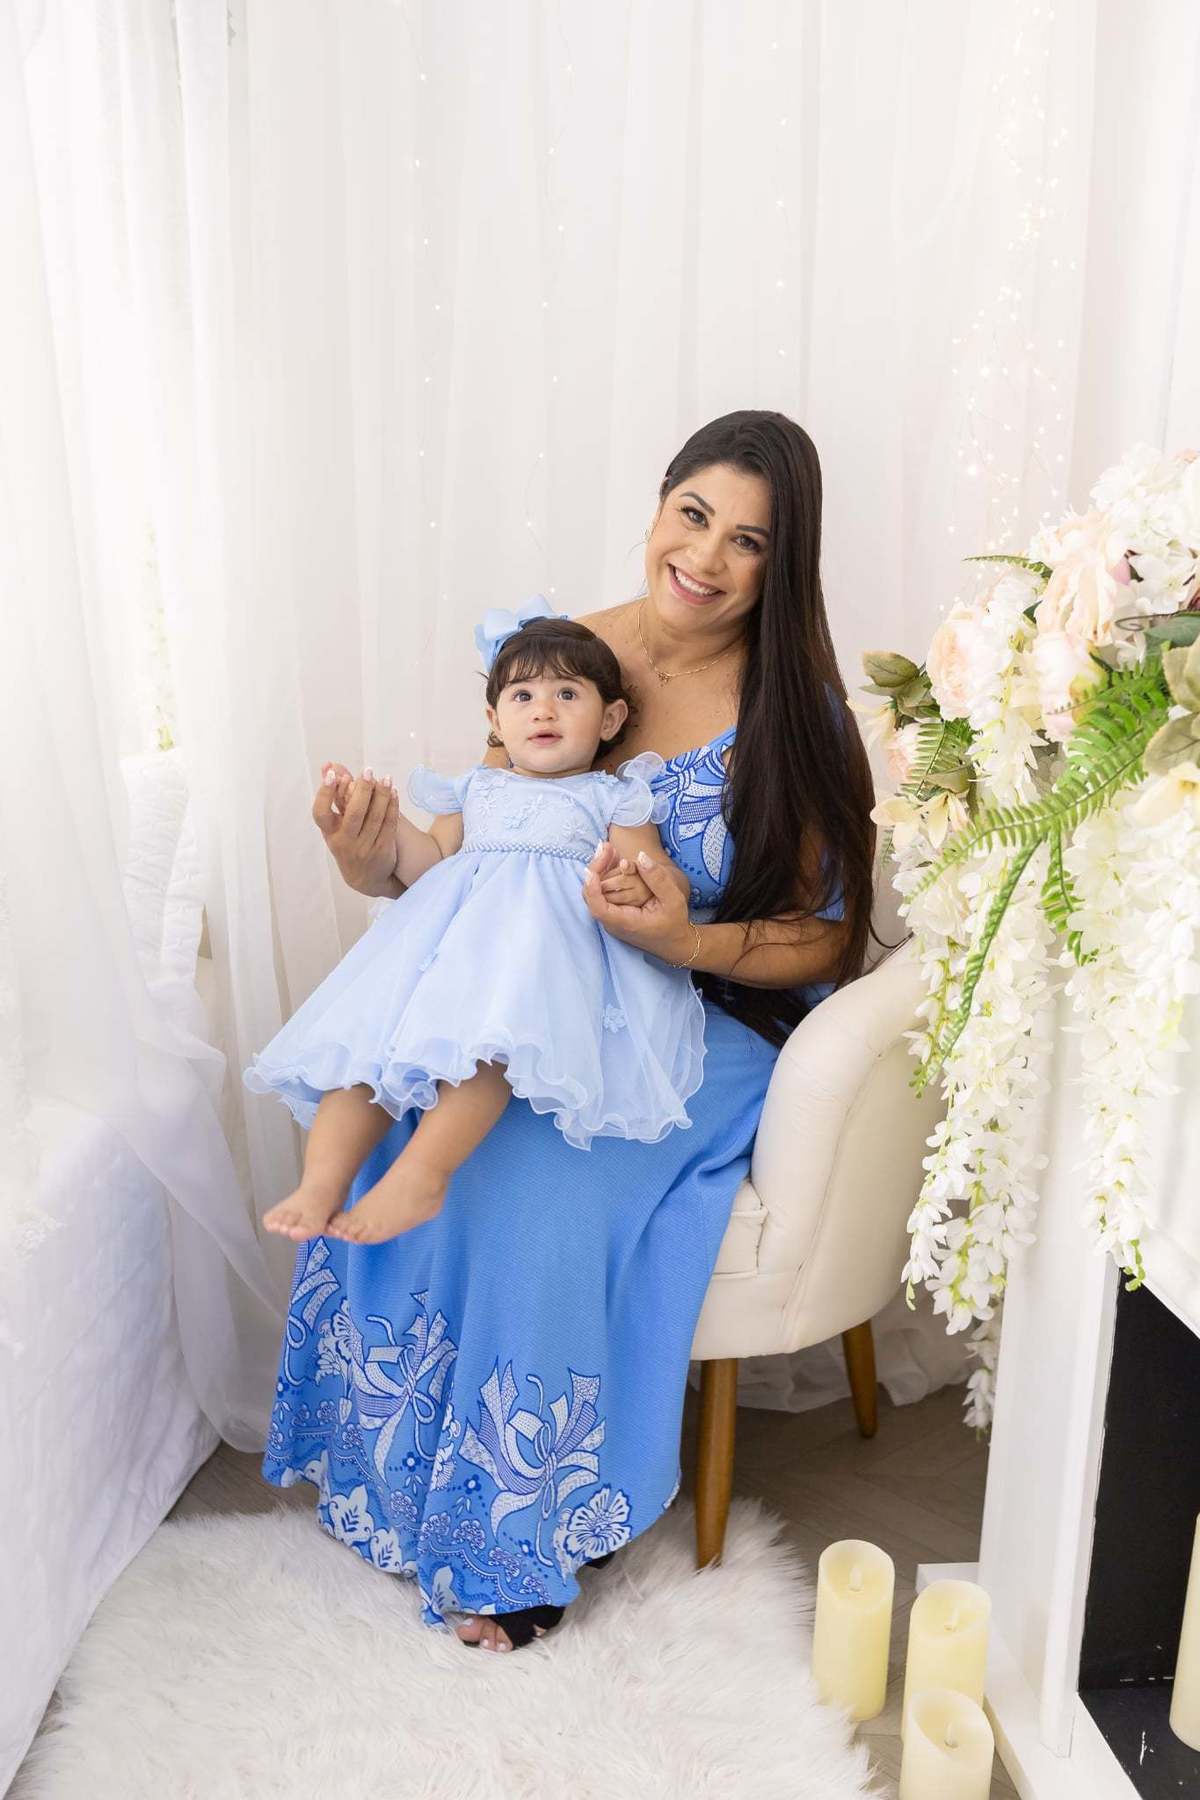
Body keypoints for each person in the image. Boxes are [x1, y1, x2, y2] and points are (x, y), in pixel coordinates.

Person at [260, 410, 876, 1653]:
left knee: (528, 1184)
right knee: (405, 1124)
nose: (705, 556)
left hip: (702, 1014)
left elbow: (827, 939)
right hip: (536, 999)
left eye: (748, 541)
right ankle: (392, 1474)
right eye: (693, 514)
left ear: (781, 563)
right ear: (656, 506)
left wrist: (680, 942)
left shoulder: (790, 713)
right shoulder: (565, 650)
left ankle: (511, 1541)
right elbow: (482, 864)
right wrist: (375, 859)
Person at [243, 612, 704, 1245]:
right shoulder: (475, 788)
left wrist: (645, 884)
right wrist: (376, 820)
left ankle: (423, 1175)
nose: (544, 710)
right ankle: (320, 1183)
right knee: (364, 1051)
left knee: (486, 1052)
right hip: (442, 954)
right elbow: (427, 864)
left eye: (567, 694)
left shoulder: (609, 797)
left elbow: (661, 876)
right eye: (523, 696)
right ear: (495, 722)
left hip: (535, 963)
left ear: (611, 720)